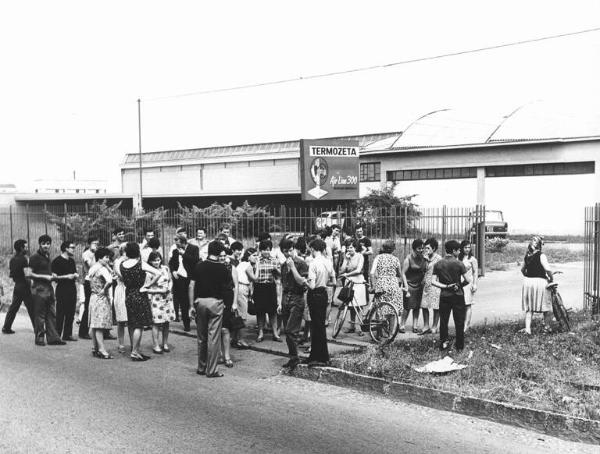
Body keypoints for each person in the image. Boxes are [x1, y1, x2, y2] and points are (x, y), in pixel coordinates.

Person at [188, 240, 230, 378]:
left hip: (200, 302)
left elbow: (191, 285)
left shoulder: (199, 266)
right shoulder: (223, 268)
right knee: (214, 337)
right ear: (219, 253)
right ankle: (212, 370)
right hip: (215, 303)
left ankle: (201, 366)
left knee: (201, 337)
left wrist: (190, 305)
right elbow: (226, 289)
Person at [120, 242, 161, 361]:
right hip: (140, 293)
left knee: (132, 323)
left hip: (128, 293)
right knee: (140, 325)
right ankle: (134, 351)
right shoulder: (140, 264)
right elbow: (158, 273)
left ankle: (136, 349)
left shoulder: (122, 264)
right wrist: (148, 285)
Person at [300, 238, 335, 367]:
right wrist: (324, 283)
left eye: (311, 250)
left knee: (315, 326)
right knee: (320, 325)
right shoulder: (328, 262)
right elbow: (334, 281)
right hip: (324, 294)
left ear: (313, 249)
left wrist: (305, 282)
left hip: (314, 295)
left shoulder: (313, 263)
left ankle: (317, 356)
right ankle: (322, 356)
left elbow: (312, 286)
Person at [432, 240, 471, 352]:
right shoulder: (459, 263)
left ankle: (443, 343)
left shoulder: (438, 264)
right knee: (459, 320)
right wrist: (458, 285)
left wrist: (445, 286)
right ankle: (459, 345)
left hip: (444, 295)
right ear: (454, 251)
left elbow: (433, 281)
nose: (459, 252)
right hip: (458, 295)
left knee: (444, 320)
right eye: (458, 250)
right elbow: (468, 280)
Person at [28, 235, 66, 346]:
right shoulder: (34, 257)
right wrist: (44, 277)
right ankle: (39, 338)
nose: (46, 246)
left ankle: (53, 338)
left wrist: (52, 274)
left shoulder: (47, 255)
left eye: (48, 243)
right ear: (39, 244)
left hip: (49, 288)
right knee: (40, 315)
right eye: (44, 243)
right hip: (39, 288)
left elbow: (46, 270)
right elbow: (28, 274)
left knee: (52, 313)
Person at [279, 238, 309, 369]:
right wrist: (280, 302)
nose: (289, 254)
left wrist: (292, 267)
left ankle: (295, 357)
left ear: (294, 250)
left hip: (297, 298)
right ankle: (293, 357)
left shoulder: (301, 263)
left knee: (292, 330)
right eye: (286, 251)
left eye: (291, 250)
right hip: (286, 298)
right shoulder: (283, 265)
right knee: (287, 331)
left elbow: (302, 283)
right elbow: (282, 285)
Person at [247, 239, 282, 342]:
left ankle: (275, 333)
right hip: (259, 287)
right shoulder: (256, 260)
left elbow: (278, 277)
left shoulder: (274, 260)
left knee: (273, 312)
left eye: (268, 250)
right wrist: (251, 291)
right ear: (260, 250)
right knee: (260, 312)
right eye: (264, 250)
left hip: (270, 287)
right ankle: (261, 332)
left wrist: (277, 273)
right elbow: (251, 275)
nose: (266, 252)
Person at [520, 235, 554, 335]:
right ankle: (547, 327)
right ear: (540, 245)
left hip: (527, 282)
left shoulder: (527, 255)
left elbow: (522, 269)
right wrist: (551, 279)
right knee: (546, 307)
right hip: (540, 282)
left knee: (529, 308)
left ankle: (528, 329)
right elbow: (547, 269)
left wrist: (528, 275)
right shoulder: (541, 255)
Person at [2, 239, 35, 334]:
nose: (27, 248)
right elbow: (27, 275)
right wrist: (31, 286)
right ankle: (37, 328)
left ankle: (6, 327)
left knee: (13, 308)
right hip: (24, 286)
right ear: (21, 248)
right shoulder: (24, 259)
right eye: (26, 246)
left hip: (17, 285)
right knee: (32, 308)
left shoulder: (12, 259)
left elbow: (12, 275)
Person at [168, 233, 199, 330]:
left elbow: (195, 260)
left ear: (183, 242)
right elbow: (171, 262)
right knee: (183, 302)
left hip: (191, 278)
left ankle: (199, 324)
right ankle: (187, 325)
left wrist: (184, 254)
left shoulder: (194, 248)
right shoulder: (175, 251)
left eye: (178, 243)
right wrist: (173, 271)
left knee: (196, 301)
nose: (176, 245)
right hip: (180, 279)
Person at [146, 251, 175, 354]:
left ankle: (165, 343)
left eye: (158, 260)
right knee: (156, 323)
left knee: (166, 321)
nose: (157, 262)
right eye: (154, 260)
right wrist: (159, 290)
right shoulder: (149, 272)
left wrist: (169, 289)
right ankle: (156, 344)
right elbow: (147, 288)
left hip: (167, 297)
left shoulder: (165, 268)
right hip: (156, 298)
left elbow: (170, 280)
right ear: (150, 261)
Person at [88, 248, 114, 359]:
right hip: (101, 297)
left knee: (94, 324)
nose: (108, 259)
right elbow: (110, 281)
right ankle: (102, 350)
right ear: (100, 258)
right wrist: (104, 290)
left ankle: (95, 348)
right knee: (99, 325)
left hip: (93, 296)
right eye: (106, 257)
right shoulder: (102, 269)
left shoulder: (93, 268)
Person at [51, 241, 79, 341]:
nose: (73, 249)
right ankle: (57, 334)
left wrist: (75, 275)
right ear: (66, 248)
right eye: (72, 247)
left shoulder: (71, 261)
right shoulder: (56, 261)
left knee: (70, 313)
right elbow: (54, 278)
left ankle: (67, 334)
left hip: (72, 288)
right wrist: (66, 277)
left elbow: (74, 272)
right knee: (60, 312)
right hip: (62, 289)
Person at [338, 238, 367, 336]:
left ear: (355, 247)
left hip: (358, 281)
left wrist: (347, 275)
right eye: (347, 247)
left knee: (359, 305)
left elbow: (359, 270)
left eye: (350, 247)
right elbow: (341, 270)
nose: (349, 249)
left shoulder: (360, 256)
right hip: (350, 281)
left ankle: (361, 327)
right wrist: (345, 259)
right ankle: (352, 326)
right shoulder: (347, 257)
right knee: (350, 305)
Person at [370, 239, 403, 319]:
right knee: (392, 309)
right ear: (393, 249)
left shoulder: (378, 257)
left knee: (379, 308)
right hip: (393, 285)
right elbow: (399, 274)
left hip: (381, 284)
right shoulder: (396, 259)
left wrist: (373, 286)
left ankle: (379, 330)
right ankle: (391, 331)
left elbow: (371, 273)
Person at [400, 239, 426, 334]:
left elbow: (425, 270)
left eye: (422, 248)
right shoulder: (408, 259)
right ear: (414, 249)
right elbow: (403, 273)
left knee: (416, 307)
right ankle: (402, 325)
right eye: (419, 248)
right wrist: (406, 286)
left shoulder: (423, 258)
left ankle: (415, 326)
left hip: (419, 285)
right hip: (409, 285)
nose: (421, 250)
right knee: (407, 307)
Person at [218, 247, 238, 367]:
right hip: (216, 299)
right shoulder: (214, 268)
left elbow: (236, 286)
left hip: (228, 298)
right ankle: (219, 354)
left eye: (224, 255)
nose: (222, 258)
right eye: (219, 256)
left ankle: (227, 356)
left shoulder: (231, 267)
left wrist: (235, 303)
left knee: (225, 329)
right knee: (217, 328)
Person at [420, 238, 442, 335]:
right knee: (424, 305)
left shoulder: (438, 259)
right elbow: (422, 270)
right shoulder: (424, 258)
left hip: (435, 284)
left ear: (434, 248)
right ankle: (426, 326)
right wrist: (425, 260)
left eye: (428, 248)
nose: (426, 250)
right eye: (425, 248)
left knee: (435, 306)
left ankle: (434, 326)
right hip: (426, 284)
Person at [235, 247, 256, 347]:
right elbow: (254, 278)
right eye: (254, 256)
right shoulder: (248, 265)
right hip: (242, 288)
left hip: (239, 288)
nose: (256, 258)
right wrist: (258, 267)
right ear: (249, 256)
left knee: (238, 314)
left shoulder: (241, 263)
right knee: (242, 316)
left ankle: (235, 338)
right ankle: (241, 340)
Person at [79, 236, 99, 340]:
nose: (96, 245)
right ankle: (83, 331)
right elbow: (92, 266)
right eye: (94, 243)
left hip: (95, 280)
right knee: (87, 306)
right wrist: (95, 254)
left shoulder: (96, 253)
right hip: (88, 280)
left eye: (97, 243)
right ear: (89, 244)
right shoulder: (86, 254)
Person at [459, 240, 479, 334]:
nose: (467, 249)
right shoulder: (459, 258)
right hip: (460, 282)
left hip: (468, 283)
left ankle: (466, 325)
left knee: (468, 304)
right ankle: (461, 323)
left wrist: (475, 284)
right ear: (461, 248)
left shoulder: (472, 259)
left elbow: (475, 273)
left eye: (468, 247)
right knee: (461, 304)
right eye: (465, 247)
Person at [112, 244, 129, 352]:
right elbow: (123, 277)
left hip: (131, 289)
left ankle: (133, 343)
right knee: (121, 320)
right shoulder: (118, 262)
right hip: (122, 290)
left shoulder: (133, 261)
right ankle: (121, 344)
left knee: (132, 320)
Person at [354, 225, 373, 298]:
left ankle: (366, 297)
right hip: (355, 263)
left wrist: (362, 253)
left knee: (364, 279)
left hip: (364, 263)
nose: (359, 233)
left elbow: (371, 252)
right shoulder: (354, 240)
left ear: (363, 231)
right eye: (358, 231)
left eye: (361, 231)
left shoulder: (366, 239)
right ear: (355, 232)